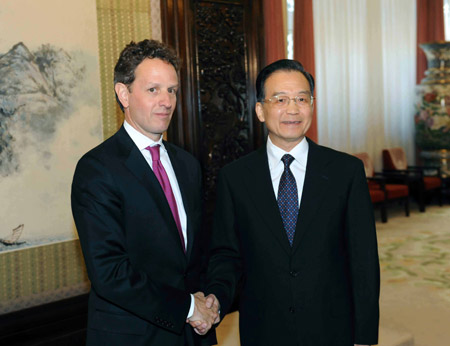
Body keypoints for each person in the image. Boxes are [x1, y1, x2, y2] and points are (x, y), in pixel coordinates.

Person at [205, 59, 380, 346]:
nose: (292, 109)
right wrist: (215, 299)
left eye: (301, 98)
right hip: (263, 329)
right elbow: (226, 254)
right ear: (260, 110)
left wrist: (365, 335)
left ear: (312, 105)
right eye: (280, 99)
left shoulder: (345, 172)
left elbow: (363, 261)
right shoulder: (235, 178)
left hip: (332, 328)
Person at [71, 39, 218, 346]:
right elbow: (110, 273)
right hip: (135, 337)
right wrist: (189, 307)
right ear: (124, 93)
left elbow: (197, 252)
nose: (166, 101)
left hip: (192, 336)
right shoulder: (97, 169)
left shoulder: (188, 164)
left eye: (172, 90)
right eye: (153, 89)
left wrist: (211, 298)